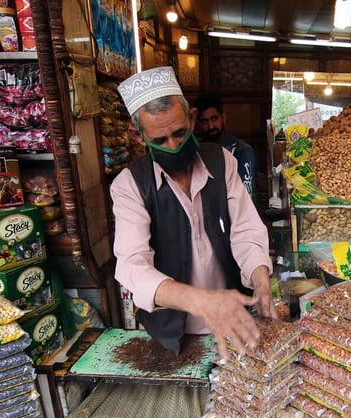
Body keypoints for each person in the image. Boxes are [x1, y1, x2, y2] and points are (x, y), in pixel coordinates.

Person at [112, 66, 276, 360]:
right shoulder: (130, 185)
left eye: (179, 133)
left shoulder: (222, 161)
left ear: (191, 117)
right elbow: (132, 266)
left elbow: (245, 231)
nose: (174, 146)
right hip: (173, 337)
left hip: (236, 322)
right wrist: (202, 302)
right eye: (160, 141)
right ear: (138, 136)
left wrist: (261, 280)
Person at [194, 92, 258, 204]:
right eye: (205, 121)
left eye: (214, 119)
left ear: (223, 118)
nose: (210, 126)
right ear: (198, 124)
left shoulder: (241, 151)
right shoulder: (197, 153)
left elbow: (246, 200)